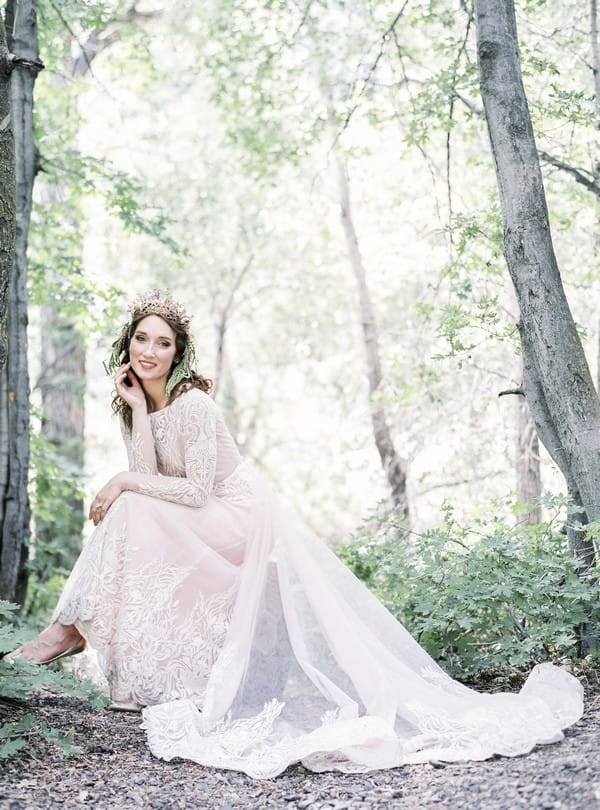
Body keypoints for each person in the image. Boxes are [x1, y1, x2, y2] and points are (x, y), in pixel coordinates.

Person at [8, 290, 583, 779]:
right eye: (141, 339)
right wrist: (134, 410)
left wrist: (122, 479)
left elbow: (197, 492)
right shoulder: (145, 404)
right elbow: (152, 479)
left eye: (163, 342)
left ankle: (66, 633)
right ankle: (106, 660)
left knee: (130, 503)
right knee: (133, 506)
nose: (150, 351)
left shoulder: (196, 405)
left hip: (240, 522)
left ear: (178, 352)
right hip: (201, 518)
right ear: (128, 344)